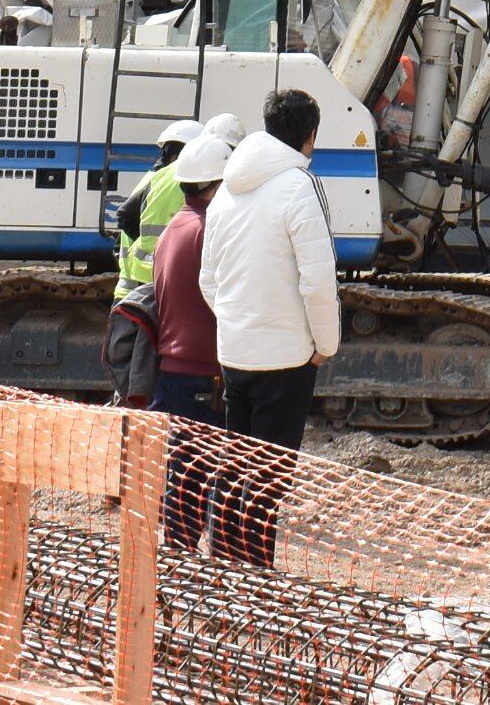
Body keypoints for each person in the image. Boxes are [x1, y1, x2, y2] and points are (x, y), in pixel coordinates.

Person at [202, 90, 343, 560]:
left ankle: (222, 567)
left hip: (235, 353)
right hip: (285, 360)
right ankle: (255, 578)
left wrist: (237, 322)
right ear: (310, 137)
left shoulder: (226, 189)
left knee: (235, 468)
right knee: (268, 479)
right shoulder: (299, 186)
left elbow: (209, 278)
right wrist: (325, 343)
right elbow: (318, 279)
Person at [146, 127, 234, 552]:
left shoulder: (176, 227)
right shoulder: (207, 230)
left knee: (183, 470)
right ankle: (180, 568)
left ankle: (175, 558)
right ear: (217, 185)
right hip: (203, 372)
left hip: (176, 370)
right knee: (195, 476)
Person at [117, 120, 203, 297]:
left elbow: (125, 219)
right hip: (148, 282)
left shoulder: (153, 178)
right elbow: (126, 218)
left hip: (133, 283)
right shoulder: (172, 180)